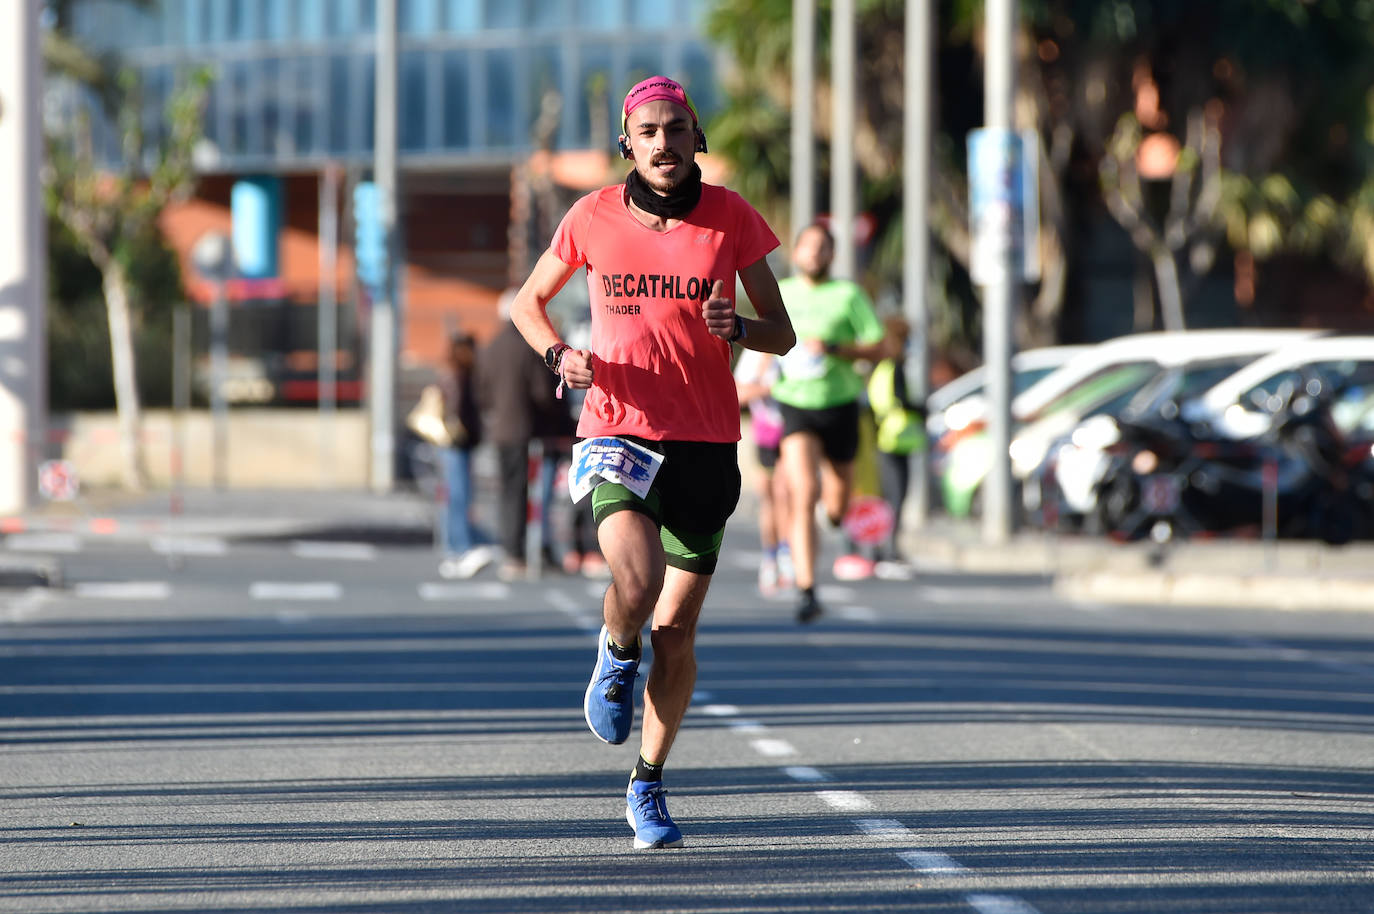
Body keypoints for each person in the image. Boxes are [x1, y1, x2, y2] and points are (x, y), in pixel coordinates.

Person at [507, 74, 795, 850]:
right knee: (633, 584)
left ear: (695, 137)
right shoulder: (591, 215)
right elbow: (524, 304)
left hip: (706, 441)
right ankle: (613, 650)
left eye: (676, 130)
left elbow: (784, 332)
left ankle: (648, 782)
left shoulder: (731, 216)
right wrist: (560, 353)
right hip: (618, 427)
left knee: (679, 632)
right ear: (627, 144)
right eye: (649, 132)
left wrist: (740, 326)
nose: (664, 144)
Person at [772, 222, 890, 623]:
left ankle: (834, 516)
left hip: (839, 403)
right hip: (795, 402)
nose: (815, 254)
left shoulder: (848, 295)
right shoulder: (781, 292)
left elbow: (880, 345)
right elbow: (760, 339)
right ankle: (806, 589)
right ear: (796, 251)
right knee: (802, 492)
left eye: (823, 248)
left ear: (832, 256)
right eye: (809, 247)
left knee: (836, 504)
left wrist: (836, 348)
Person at [476, 289, 572, 580]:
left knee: (508, 491)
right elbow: (542, 392)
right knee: (533, 493)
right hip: (529, 430)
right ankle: (531, 552)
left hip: (501, 430)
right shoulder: (528, 347)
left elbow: (482, 391)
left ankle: (512, 551)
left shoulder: (491, 347)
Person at [867, 314, 927, 576]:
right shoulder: (896, 367)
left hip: (885, 438)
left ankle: (881, 550)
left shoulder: (881, 368)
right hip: (896, 439)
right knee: (896, 498)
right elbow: (901, 400)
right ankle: (888, 552)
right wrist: (922, 409)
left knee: (887, 498)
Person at [435, 331, 495, 580]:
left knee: (455, 495)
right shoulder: (459, 377)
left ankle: (456, 547)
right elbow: (459, 411)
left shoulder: (452, 374)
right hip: (456, 443)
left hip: (452, 443)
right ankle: (460, 548)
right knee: (459, 495)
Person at [733, 347, 792, 595]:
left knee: (785, 494)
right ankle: (771, 557)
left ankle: (787, 555)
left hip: (794, 429)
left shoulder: (798, 348)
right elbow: (738, 393)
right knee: (769, 498)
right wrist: (769, 388)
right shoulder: (755, 354)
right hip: (766, 430)